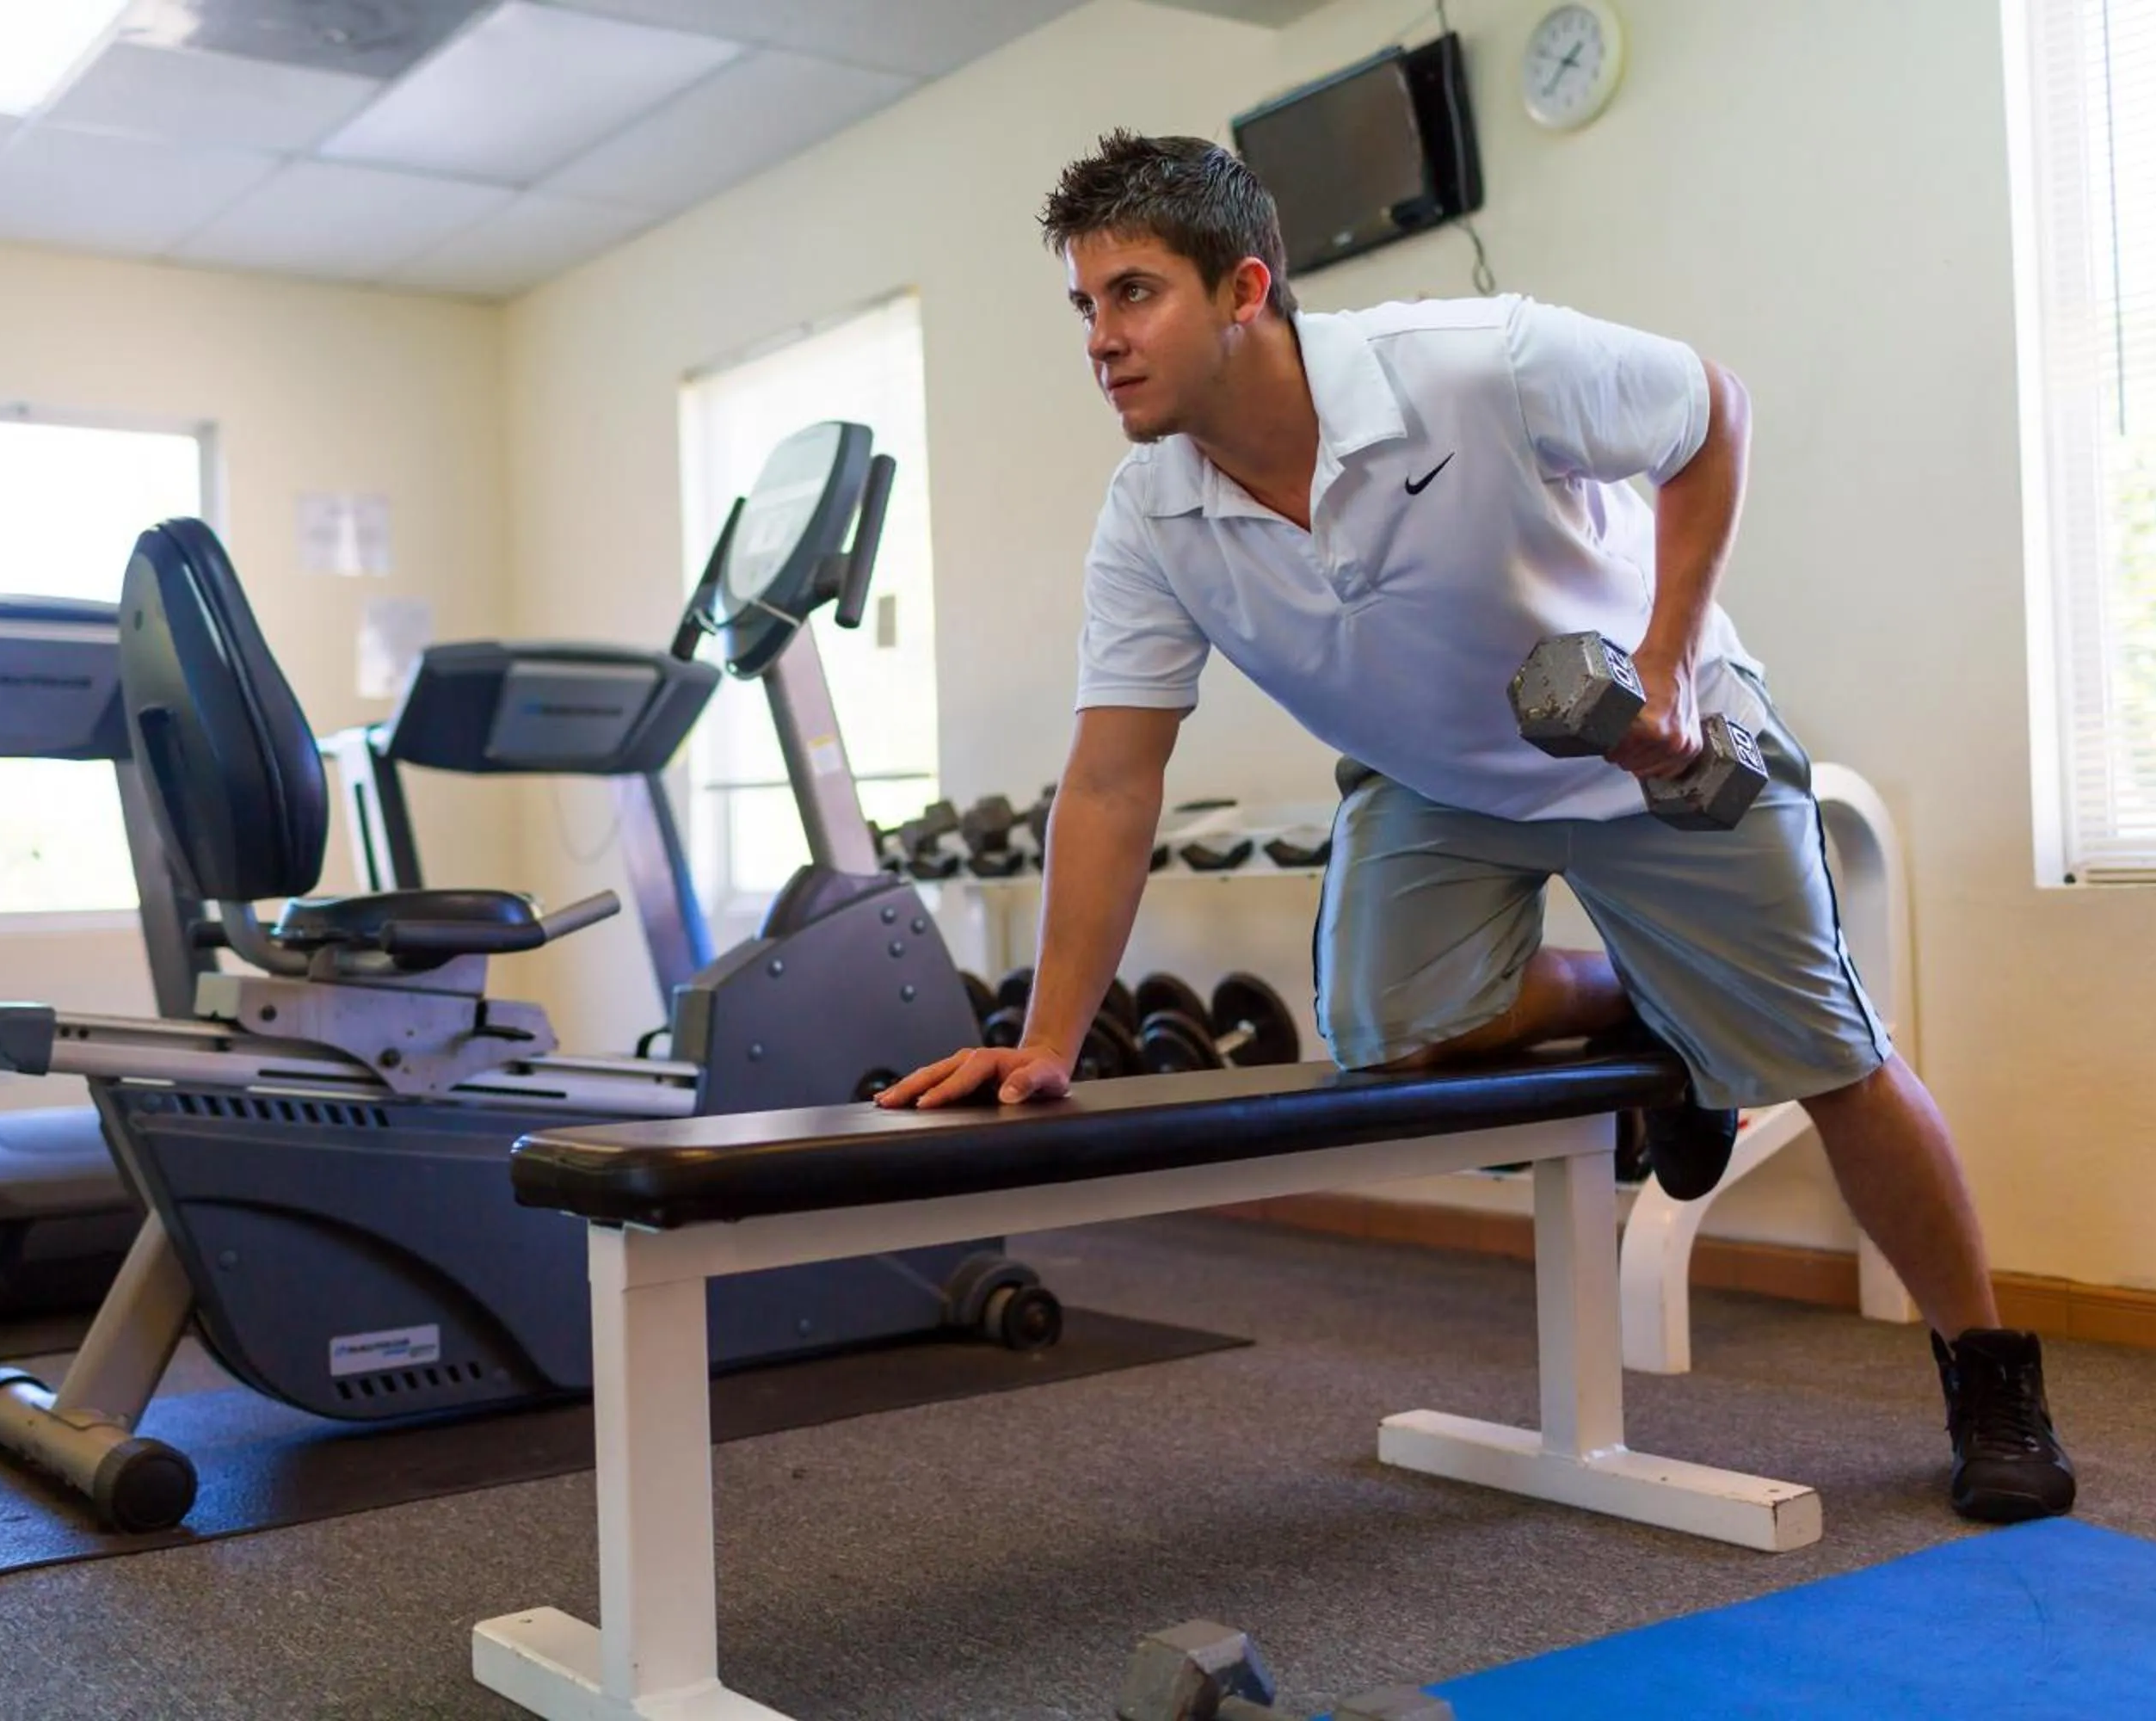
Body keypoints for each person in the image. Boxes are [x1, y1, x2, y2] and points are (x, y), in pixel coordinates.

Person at [876, 131, 2073, 1525]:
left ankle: (1987, 1370)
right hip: (1437, 779)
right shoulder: (1152, 515)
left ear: (1246, 287)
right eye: (1085, 306)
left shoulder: (1473, 364)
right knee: (1388, 1041)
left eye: (1134, 293)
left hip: (1647, 744)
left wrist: (1675, 660)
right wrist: (1050, 1040)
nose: (1102, 337)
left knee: (1828, 1056)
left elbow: (1712, 413)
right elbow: (1111, 782)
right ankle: (1665, 1022)